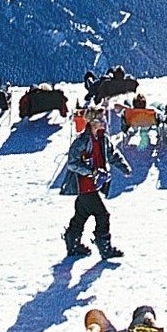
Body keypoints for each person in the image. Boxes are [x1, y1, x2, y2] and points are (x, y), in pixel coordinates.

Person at [60, 109, 130, 259]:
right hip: (85, 184)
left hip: (95, 184)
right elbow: (72, 163)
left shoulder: (102, 138)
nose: (104, 121)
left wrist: (123, 167)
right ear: (92, 121)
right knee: (102, 214)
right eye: (100, 118)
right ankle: (104, 247)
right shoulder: (82, 141)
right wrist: (91, 171)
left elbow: (112, 154)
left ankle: (73, 242)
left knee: (82, 213)